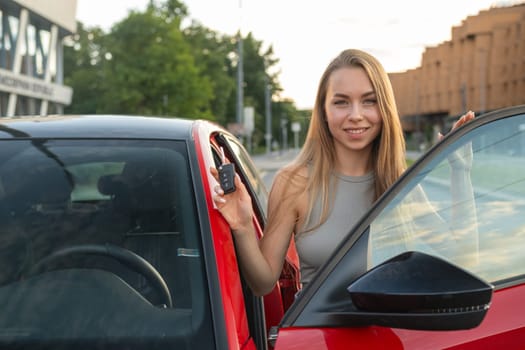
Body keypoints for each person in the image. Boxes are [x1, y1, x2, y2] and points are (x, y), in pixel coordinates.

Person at [210, 48, 476, 296]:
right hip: (319, 340)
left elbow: (463, 257)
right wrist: (243, 225)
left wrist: (460, 173)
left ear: (384, 110)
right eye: (341, 102)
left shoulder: (401, 186)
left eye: (369, 101)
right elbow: (263, 282)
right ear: (324, 112)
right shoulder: (295, 183)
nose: (356, 115)